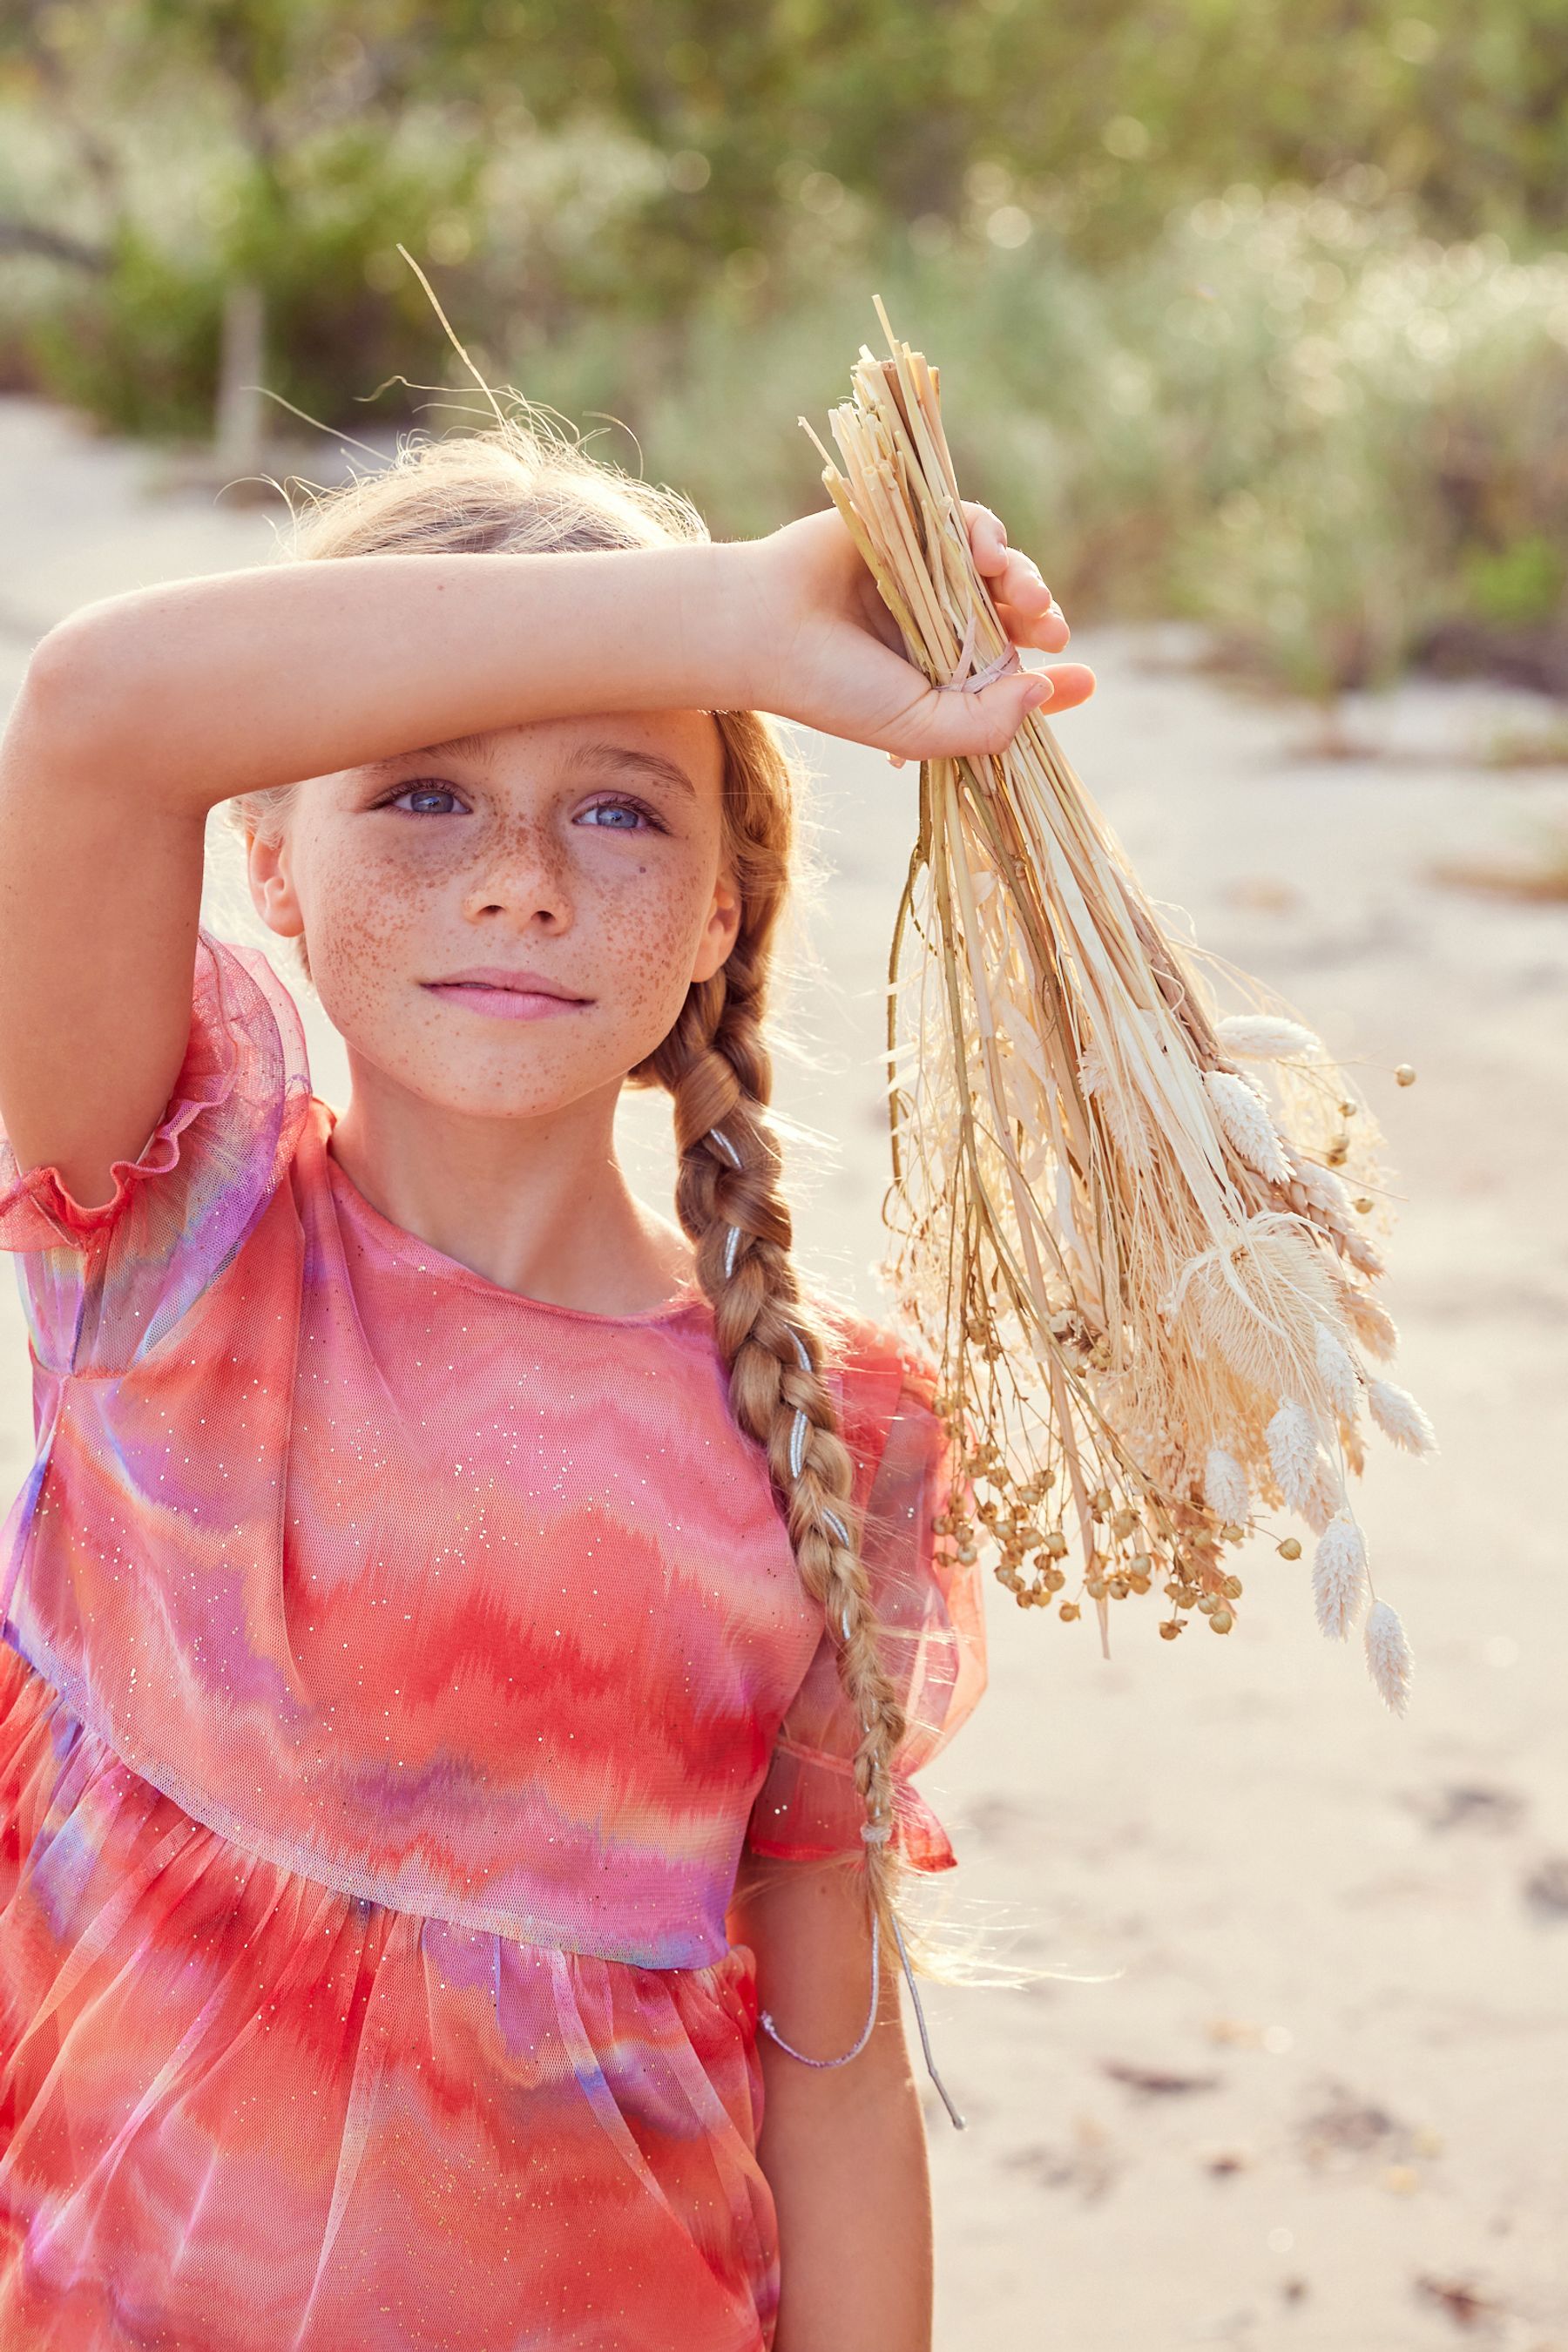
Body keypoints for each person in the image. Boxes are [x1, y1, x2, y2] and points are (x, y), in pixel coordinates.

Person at [0, 408, 1094, 2351]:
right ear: (268, 864)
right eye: (421, 798)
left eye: (618, 806)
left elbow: (830, 2059)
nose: (518, 880)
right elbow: (93, 712)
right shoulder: (178, 1229)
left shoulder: (834, 1427)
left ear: (717, 914)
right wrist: (732, 622)